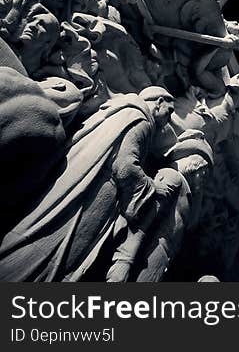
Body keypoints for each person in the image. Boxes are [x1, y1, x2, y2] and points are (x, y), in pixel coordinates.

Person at [0, 86, 174, 282]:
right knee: (54, 251)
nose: (169, 119)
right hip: (91, 195)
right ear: (159, 103)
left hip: (74, 179)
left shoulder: (116, 110)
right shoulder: (139, 119)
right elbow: (125, 167)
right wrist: (152, 187)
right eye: (170, 111)